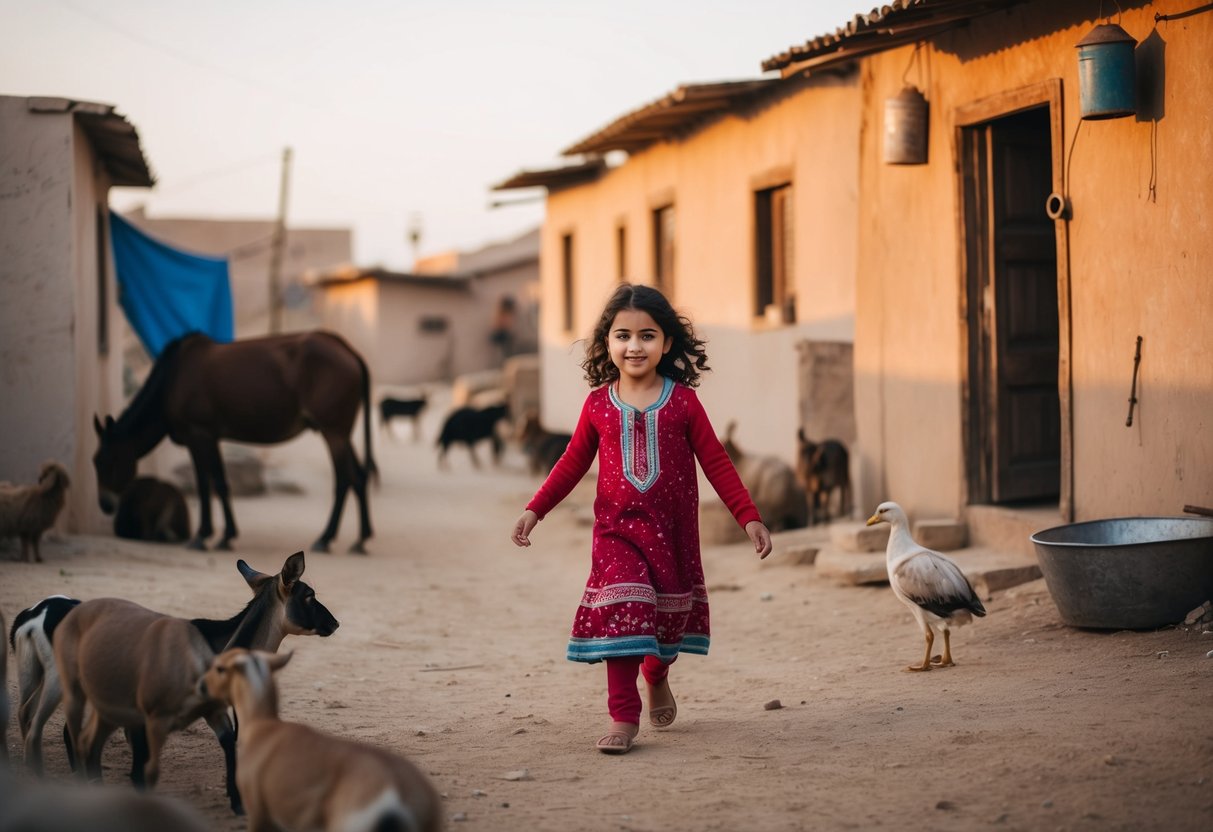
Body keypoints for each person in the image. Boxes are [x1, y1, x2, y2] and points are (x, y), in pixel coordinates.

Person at [510, 283, 772, 755]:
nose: (634, 346)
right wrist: (535, 509)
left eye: (647, 335)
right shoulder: (596, 405)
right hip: (616, 535)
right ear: (607, 343)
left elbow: (716, 461)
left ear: (667, 343)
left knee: (665, 627)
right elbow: (571, 464)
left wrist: (748, 517)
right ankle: (623, 715)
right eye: (623, 335)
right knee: (623, 613)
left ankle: (658, 674)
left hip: (672, 537)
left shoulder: (684, 402)